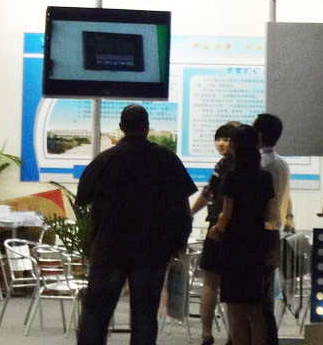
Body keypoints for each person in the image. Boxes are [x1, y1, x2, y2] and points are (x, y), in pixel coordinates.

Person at [76, 104, 197, 345]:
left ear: (121, 127)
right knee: (144, 316)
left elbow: (82, 199)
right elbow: (182, 209)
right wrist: (178, 242)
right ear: (147, 127)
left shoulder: (105, 160)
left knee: (97, 313)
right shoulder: (166, 159)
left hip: (109, 249)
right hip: (152, 251)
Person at [207, 124, 277, 345]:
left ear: (236, 146)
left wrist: (216, 229)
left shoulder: (233, 177)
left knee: (237, 310)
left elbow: (226, 215)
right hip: (257, 244)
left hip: (234, 246)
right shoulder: (265, 177)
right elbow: (270, 215)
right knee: (256, 309)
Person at [190, 122, 237, 345]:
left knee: (212, 282)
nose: (221, 143)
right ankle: (229, 335)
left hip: (219, 229)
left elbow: (208, 193)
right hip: (233, 230)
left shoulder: (227, 165)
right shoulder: (231, 164)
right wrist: (191, 212)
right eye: (218, 139)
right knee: (228, 285)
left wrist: (190, 213)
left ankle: (207, 334)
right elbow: (208, 192)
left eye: (226, 139)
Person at [252, 112, 293, 345]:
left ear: (259, 134)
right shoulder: (281, 163)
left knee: (255, 298)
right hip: (273, 234)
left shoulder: (260, 164)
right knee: (265, 295)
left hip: (258, 234)